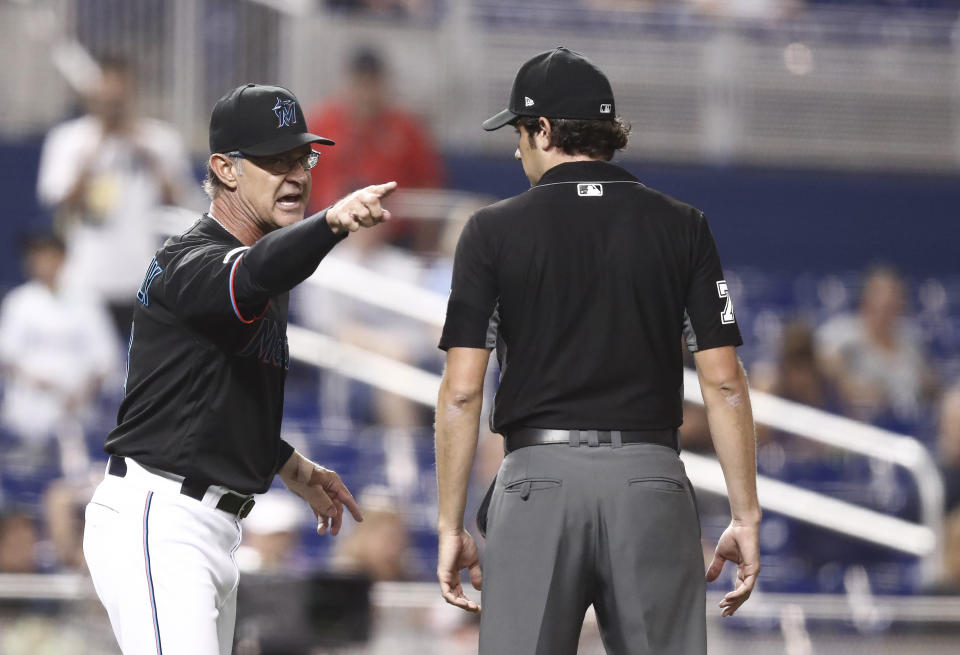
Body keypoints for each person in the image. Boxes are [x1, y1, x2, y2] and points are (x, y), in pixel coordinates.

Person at [434, 48, 761, 654]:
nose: (516, 148)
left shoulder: (490, 230)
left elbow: (461, 391)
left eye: (520, 132)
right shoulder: (683, 225)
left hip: (537, 486)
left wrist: (449, 523)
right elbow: (724, 382)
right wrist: (746, 516)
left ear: (546, 130)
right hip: (649, 482)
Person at [82, 82, 396, 655]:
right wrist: (329, 223)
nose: (297, 173)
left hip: (212, 524)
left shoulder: (262, 268)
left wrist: (285, 461)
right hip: (161, 514)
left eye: (303, 157)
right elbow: (247, 275)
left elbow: (196, 397)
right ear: (225, 169)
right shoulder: (187, 258)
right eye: (275, 160)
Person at [36, 55, 196, 335]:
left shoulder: (159, 139)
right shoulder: (69, 139)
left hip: (144, 274)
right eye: (106, 96)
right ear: (92, 94)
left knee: (145, 372)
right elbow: (56, 201)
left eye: (119, 96)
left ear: (131, 92)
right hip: (85, 277)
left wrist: (148, 157)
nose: (112, 103)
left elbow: (183, 202)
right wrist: (92, 157)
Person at [0, 233, 118, 506]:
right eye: (36, 255)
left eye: (47, 254)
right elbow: (6, 358)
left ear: (63, 258)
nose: (40, 261)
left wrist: (82, 392)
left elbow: (106, 360)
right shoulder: (19, 302)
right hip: (28, 417)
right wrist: (41, 382)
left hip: (77, 413)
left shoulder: (87, 302)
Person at [305, 47, 445, 219]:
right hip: (328, 229)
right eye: (360, 84)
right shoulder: (322, 125)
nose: (365, 94)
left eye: (372, 84)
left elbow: (430, 187)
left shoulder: (405, 129)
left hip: (391, 233)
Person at [816, 266, 938, 431]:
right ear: (866, 298)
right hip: (858, 424)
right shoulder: (841, 333)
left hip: (909, 424)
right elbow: (818, 369)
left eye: (895, 295)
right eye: (882, 294)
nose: (889, 301)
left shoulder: (910, 339)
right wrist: (847, 385)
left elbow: (928, 385)